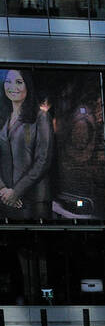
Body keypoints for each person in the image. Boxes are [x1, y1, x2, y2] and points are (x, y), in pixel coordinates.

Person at [0, 67, 54, 222]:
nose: (12, 87)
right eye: (8, 82)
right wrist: (3, 189)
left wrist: (16, 191)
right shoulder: (4, 119)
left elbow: (43, 161)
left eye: (18, 82)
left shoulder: (41, 117)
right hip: (5, 199)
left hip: (33, 200)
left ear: (27, 86)